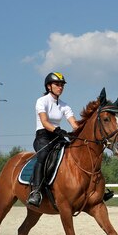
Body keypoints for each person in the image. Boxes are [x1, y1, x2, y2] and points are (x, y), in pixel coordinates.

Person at [27, 72, 79, 207]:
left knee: (75, 152)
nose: (60, 87)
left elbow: (74, 123)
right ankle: (36, 192)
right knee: (43, 156)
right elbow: (44, 122)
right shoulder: (41, 101)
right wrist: (57, 130)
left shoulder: (64, 105)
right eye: (57, 84)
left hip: (57, 137)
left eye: (62, 85)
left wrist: (79, 132)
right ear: (49, 86)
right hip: (43, 136)